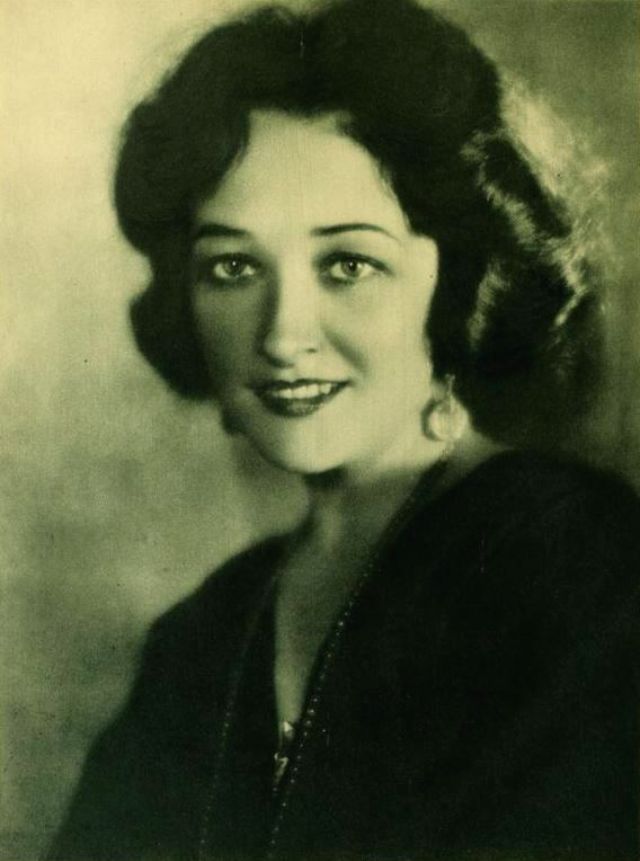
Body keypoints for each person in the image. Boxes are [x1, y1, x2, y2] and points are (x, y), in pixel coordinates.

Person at [48, 0, 639, 858]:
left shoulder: (576, 562)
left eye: (348, 263)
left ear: (459, 282)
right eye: (233, 266)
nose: (283, 333)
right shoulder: (204, 637)